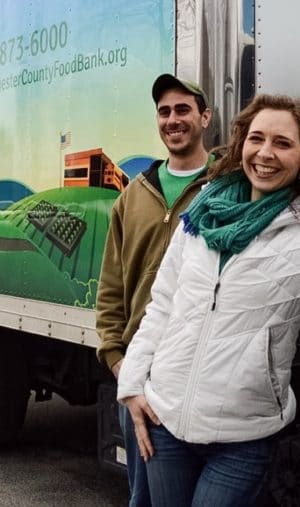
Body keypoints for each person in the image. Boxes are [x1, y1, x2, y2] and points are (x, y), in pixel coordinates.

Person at [117, 94, 300, 507]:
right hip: (165, 420)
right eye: (257, 138)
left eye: (283, 143)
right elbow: (162, 304)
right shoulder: (201, 215)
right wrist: (131, 386)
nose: (266, 153)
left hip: (244, 436)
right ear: (242, 145)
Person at [96, 74, 213, 507]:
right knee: (143, 496)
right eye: (164, 112)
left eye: (183, 109)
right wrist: (120, 365)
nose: (172, 120)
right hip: (143, 376)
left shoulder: (228, 186)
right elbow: (110, 289)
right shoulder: (132, 197)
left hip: (202, 370)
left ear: (205, 116)